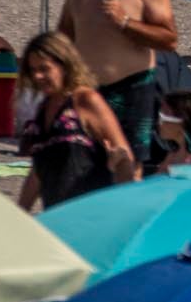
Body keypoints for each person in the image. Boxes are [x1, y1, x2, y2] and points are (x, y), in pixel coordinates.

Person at [57, 0, 179, 173]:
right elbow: (66, 31)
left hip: (131, 87)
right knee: (79, 166)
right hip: (85, 87)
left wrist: (125, 22)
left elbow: (169, 40)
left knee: (128, 167)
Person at [16, 31, 138, 210]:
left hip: (93, 213)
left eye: (44, 69)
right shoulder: (43, 108)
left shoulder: (86, 101)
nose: (37, 76)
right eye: (33, 70)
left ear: (65, 65)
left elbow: (123, 156)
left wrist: (125, 210)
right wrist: (20, 213)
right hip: (57, 216)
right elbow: (38, 170)